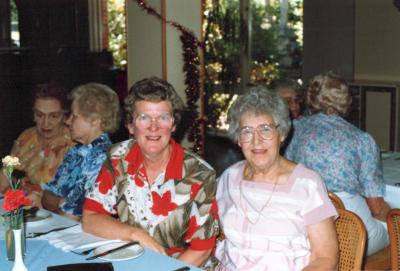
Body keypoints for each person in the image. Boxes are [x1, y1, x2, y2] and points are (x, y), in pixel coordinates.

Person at [81, 77, 219, 268]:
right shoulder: (117, 158)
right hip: (135, 261)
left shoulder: (200, 174)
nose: (153, 127)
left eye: (163, 118)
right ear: (130, 125)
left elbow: (202, 249)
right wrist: (135, 234)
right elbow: (90, 218)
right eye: (144, 117)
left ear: (173, 125)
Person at [216, 86, 338, 270]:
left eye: (266, 129)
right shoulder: (229, 178)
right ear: (238, 138)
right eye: (247, 131)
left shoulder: (307, 184)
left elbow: (326, 259)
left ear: (281, 134)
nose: (257, 141)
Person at [285, 72, 390, 256]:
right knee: (394, 229)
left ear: (311, 98)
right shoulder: (362, 140)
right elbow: (376, 206)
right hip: (350, 234)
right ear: (347, 101)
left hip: (304, 231)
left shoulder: (295, 130)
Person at [42, 83, 120, 221]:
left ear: (95, 120)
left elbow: (72, 217)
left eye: (74, 116)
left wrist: (60, 203)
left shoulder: (103, 159)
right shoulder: (75, 152)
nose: (68, 121)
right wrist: (61, 203)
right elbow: (46, 196)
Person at [0, 82, 73, 200]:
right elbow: (5, 175)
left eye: (54, 116)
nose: (45, 123)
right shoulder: (26, 136)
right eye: (39, 115)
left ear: (65, 117)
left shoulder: (73, 146)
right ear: (33, 114)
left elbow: (69, 201)